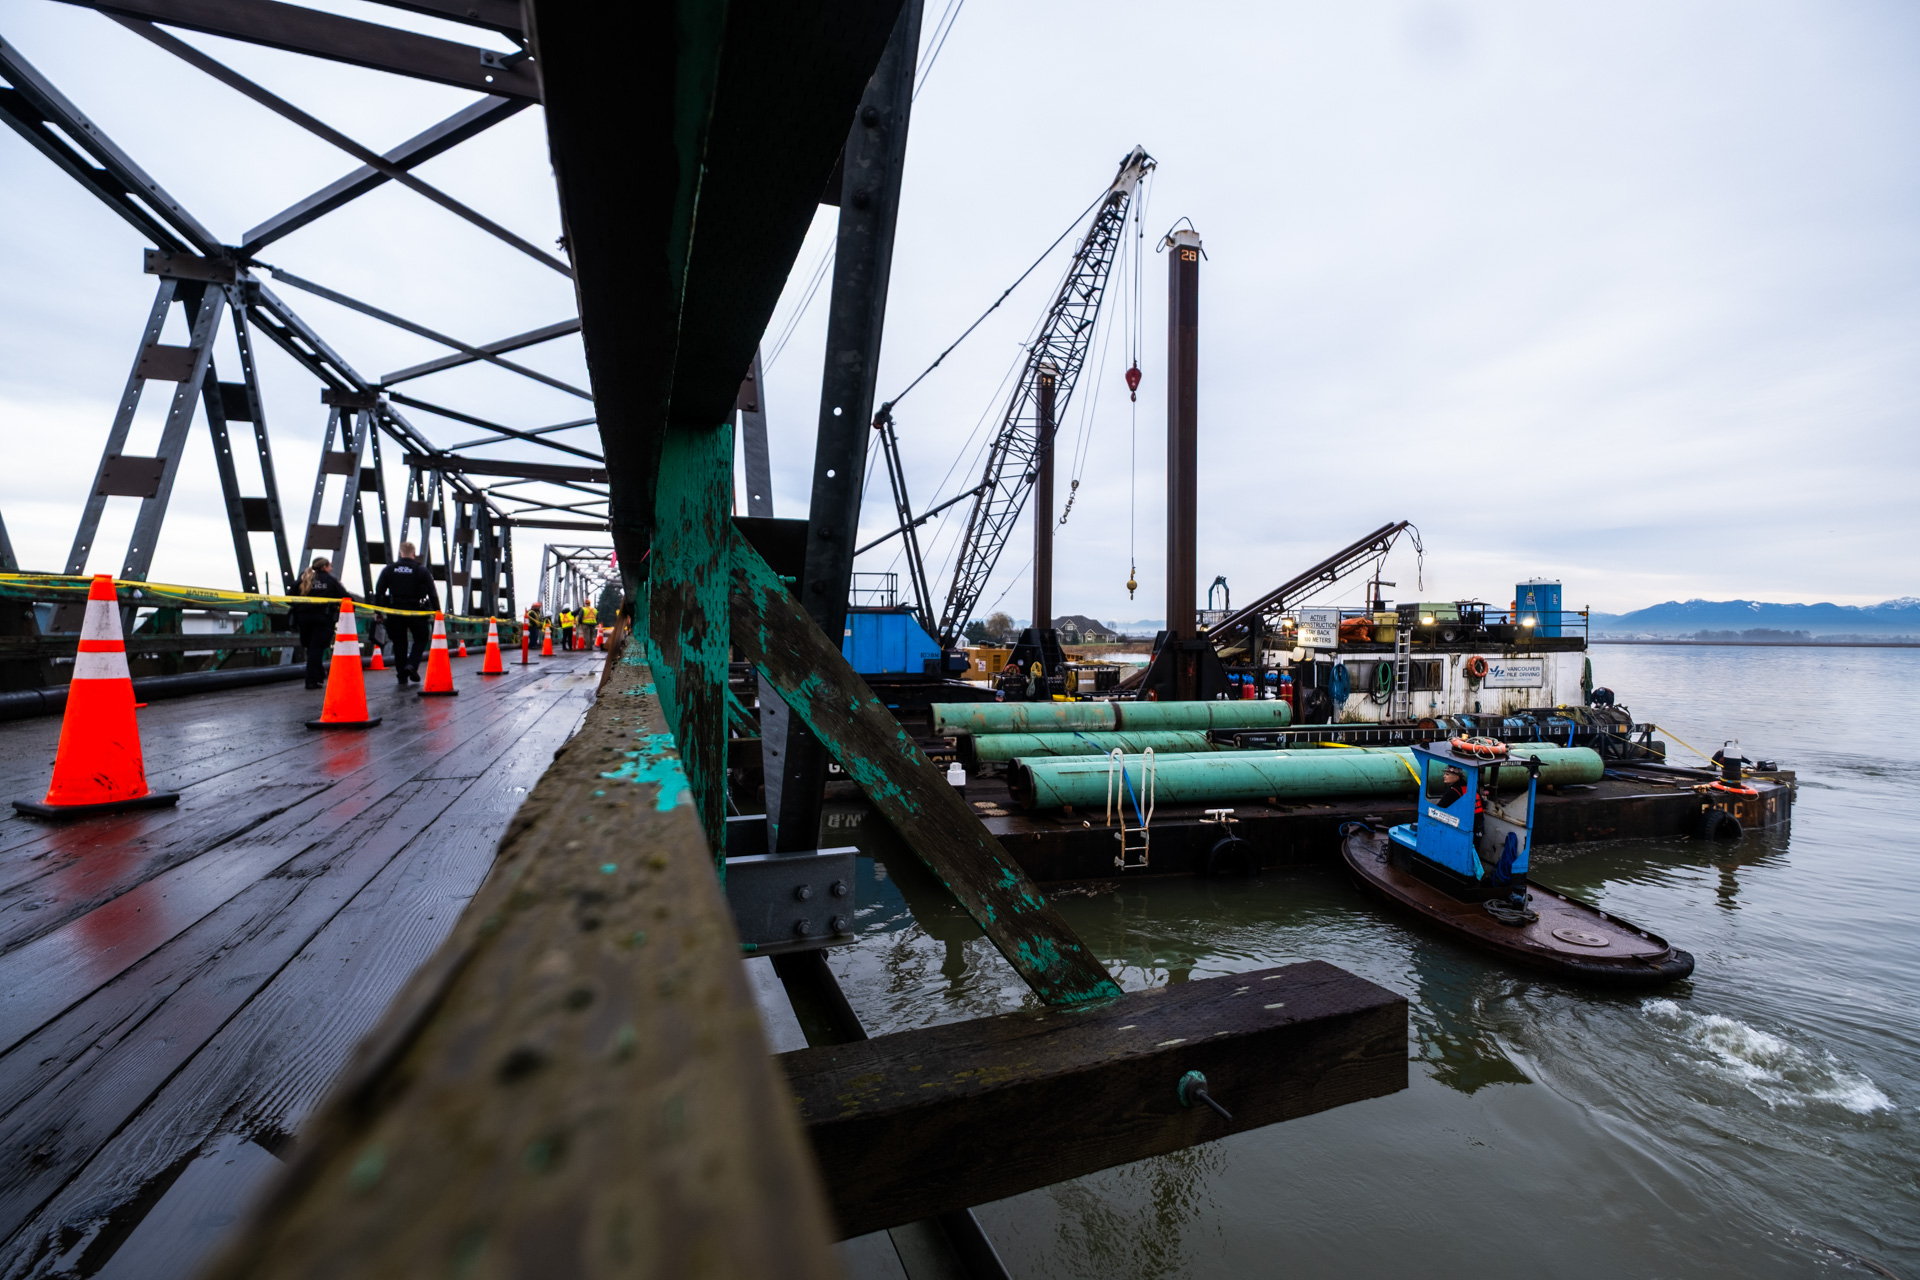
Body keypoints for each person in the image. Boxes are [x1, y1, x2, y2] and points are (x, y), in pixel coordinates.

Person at [372, 540, 439, 683]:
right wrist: (438, 611)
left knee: (399, 643)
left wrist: (378, 611)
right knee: (421, 639)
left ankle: (401, 675)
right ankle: (411, 665)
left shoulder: (389, 569)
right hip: (417, 611)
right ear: (414, 554)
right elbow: (432, 593)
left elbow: (379, 592)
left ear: (400, 553)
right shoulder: (421, 570)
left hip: (395, 611)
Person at [290, 557, 350, 689]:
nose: (331, 569)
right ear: (324, 567)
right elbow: (346, 597)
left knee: (311, 648)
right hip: (322, 618)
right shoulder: (330, 580)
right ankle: (311, 680)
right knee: (316, 648)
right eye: (330, 566)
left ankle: (319, 674)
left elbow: (288, 597)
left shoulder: (303, 578)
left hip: (303, 619)